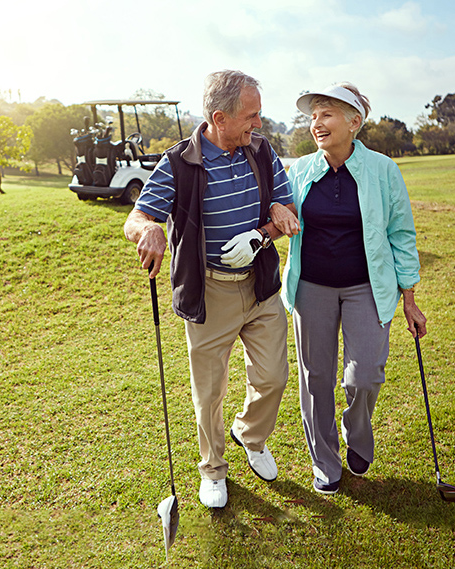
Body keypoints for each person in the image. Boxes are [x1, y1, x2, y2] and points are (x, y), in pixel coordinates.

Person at [124, 70, 300, 509]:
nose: (258, 124)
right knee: (209, 392)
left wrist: (264, 229)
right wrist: (149, 231)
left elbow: (289, 209)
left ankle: (250, 435)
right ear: (219, 117)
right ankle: (213, 469)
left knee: (274, 377)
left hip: (259, 287)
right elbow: (137, 218)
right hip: (210, 292)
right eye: (251, 116)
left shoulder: (261, 152)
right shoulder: (179, 162)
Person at [278, 83, 427, 495]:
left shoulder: (383, 170)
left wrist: (409, 297)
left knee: (365, 376)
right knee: (315, 379)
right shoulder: (300, 170)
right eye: (313, 116)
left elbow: (401, 233)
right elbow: (280, 212)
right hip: (311, 288)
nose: (316, 123)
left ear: (354, 122)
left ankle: (356, 434)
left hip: (366, 287)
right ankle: (324, 462)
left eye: (326, 113)